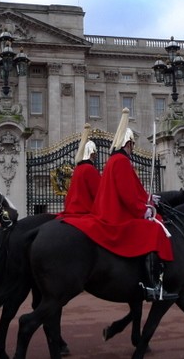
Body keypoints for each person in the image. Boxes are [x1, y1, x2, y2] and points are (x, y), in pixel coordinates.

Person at [63, 108, 174, 301]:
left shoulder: (112, 161)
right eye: (132, 145)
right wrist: (144, 209)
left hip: (104, 210)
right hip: (115, 216)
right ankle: (152, 284)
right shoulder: (120, 161)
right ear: (128, 143)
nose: (132, 149)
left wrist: (148, 200)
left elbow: (130, 190)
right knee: (154, 230)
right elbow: (126, 195)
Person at [59, 123, 101, 218]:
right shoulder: (90, 169)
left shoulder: (78, 169)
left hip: (71, 209)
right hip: (84, 211)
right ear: (92, 154)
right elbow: (98, 194)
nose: (96, 156)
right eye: (95, 154)